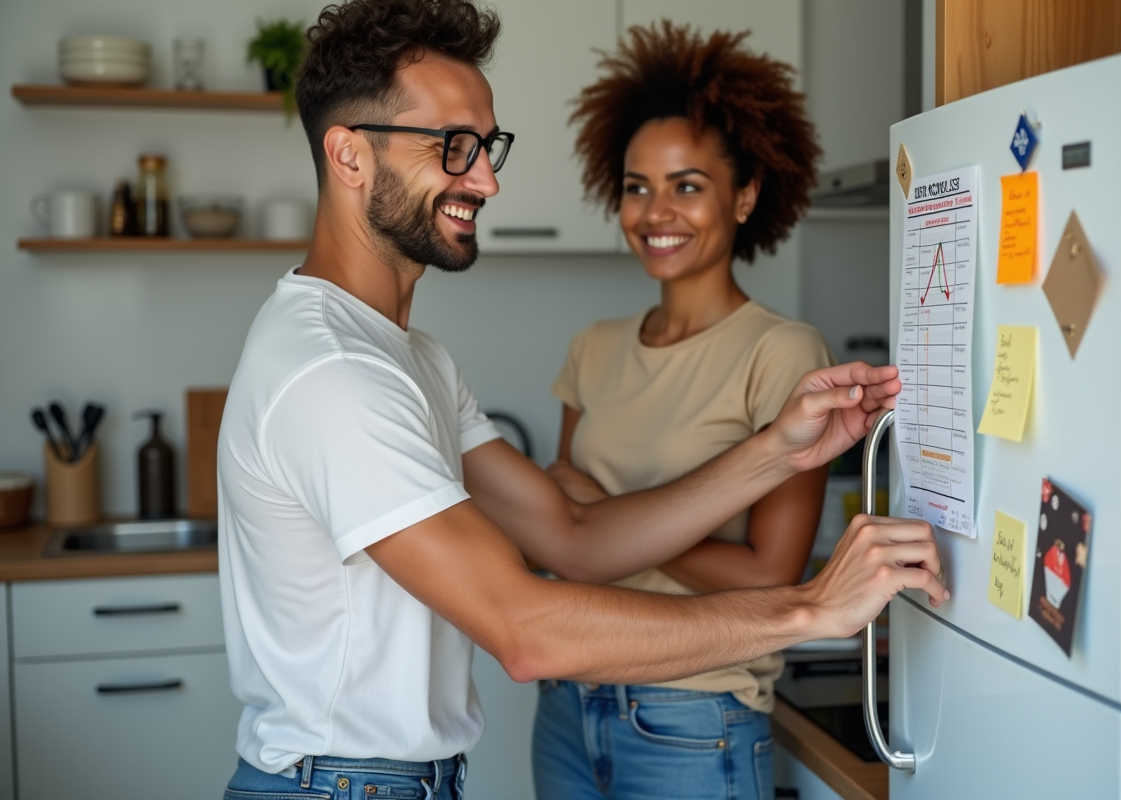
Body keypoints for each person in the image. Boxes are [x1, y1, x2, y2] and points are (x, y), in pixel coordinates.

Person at [216, 2, 947, 799]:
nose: (486, 180)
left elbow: (573, 535)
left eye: (487, 147)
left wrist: (777, 450)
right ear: (350, 155)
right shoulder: (333, 371)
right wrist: (809, 609)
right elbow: (525, 629)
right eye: (453, 146)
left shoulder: (412, 357)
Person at [532, 22, 833, 799]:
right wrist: (587, 526)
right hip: (567, 699)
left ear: (746, 195)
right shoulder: (594, 347)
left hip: (694, 716)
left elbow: (771, 577)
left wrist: (605, 517)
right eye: (637, 187)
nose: (654, 211)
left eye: (687, 186)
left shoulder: (782, 353)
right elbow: (564, 537)